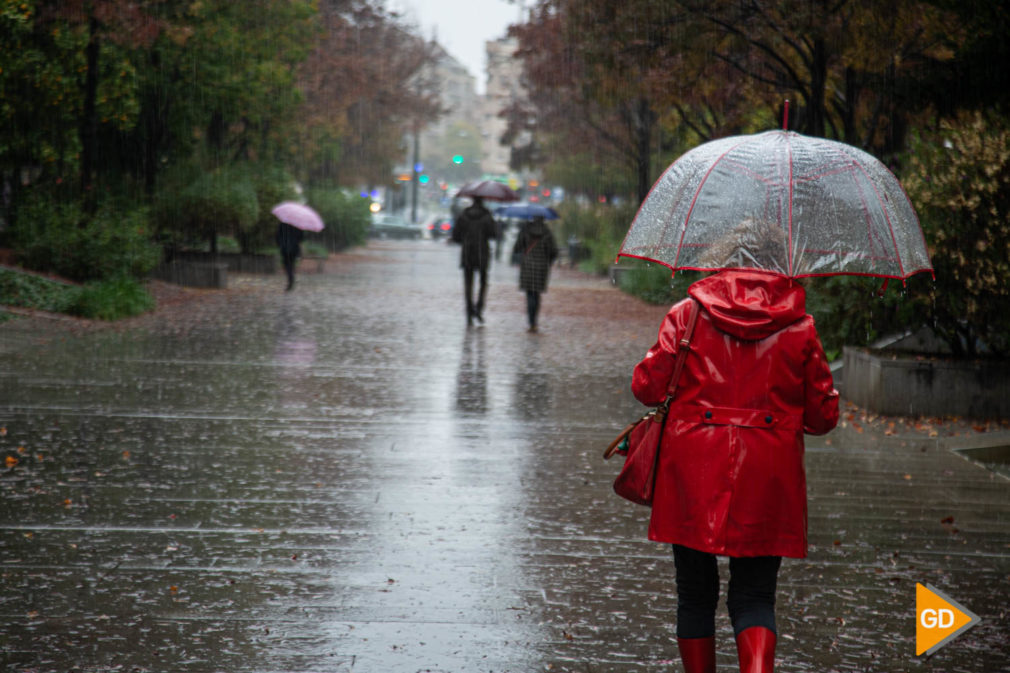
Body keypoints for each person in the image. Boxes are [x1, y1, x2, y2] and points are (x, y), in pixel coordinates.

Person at [630, 220, 839, 673]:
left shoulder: (687, 314)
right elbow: (823, 418)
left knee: (694, 591)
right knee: (756, 594)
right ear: (780, 262)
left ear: (724, 256)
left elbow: (647, 387)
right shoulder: (801, 327)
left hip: (691, 468)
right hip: (768, 474)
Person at [451, 196, 497, 325]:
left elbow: (455, 236)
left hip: (467, 253)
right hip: (482, 253)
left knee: (468, 284)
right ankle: (479, 308)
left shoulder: (464, 216)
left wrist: (465, 240)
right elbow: (493, 234)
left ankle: (469, 312)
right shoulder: (487, 216)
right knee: (483, 283)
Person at [512, 215, 558, 332]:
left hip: (527, 265)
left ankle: (531, 321)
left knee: (529, 294)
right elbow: (554, 251)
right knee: (536, 294)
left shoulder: (526, 230)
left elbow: (517, 248)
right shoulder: (547, 232)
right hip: (541, 266)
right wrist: (548, 260)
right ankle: (535, 322)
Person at [276, 221, 304, 291]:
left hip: (285, 247)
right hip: (294, 247)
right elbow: (301, 237)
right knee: (291, 263)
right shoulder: (297, 224)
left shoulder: (282, 224)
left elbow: (277, 235)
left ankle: (290, 277)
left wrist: (280, 244)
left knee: (286, 264)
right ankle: (291, 276)